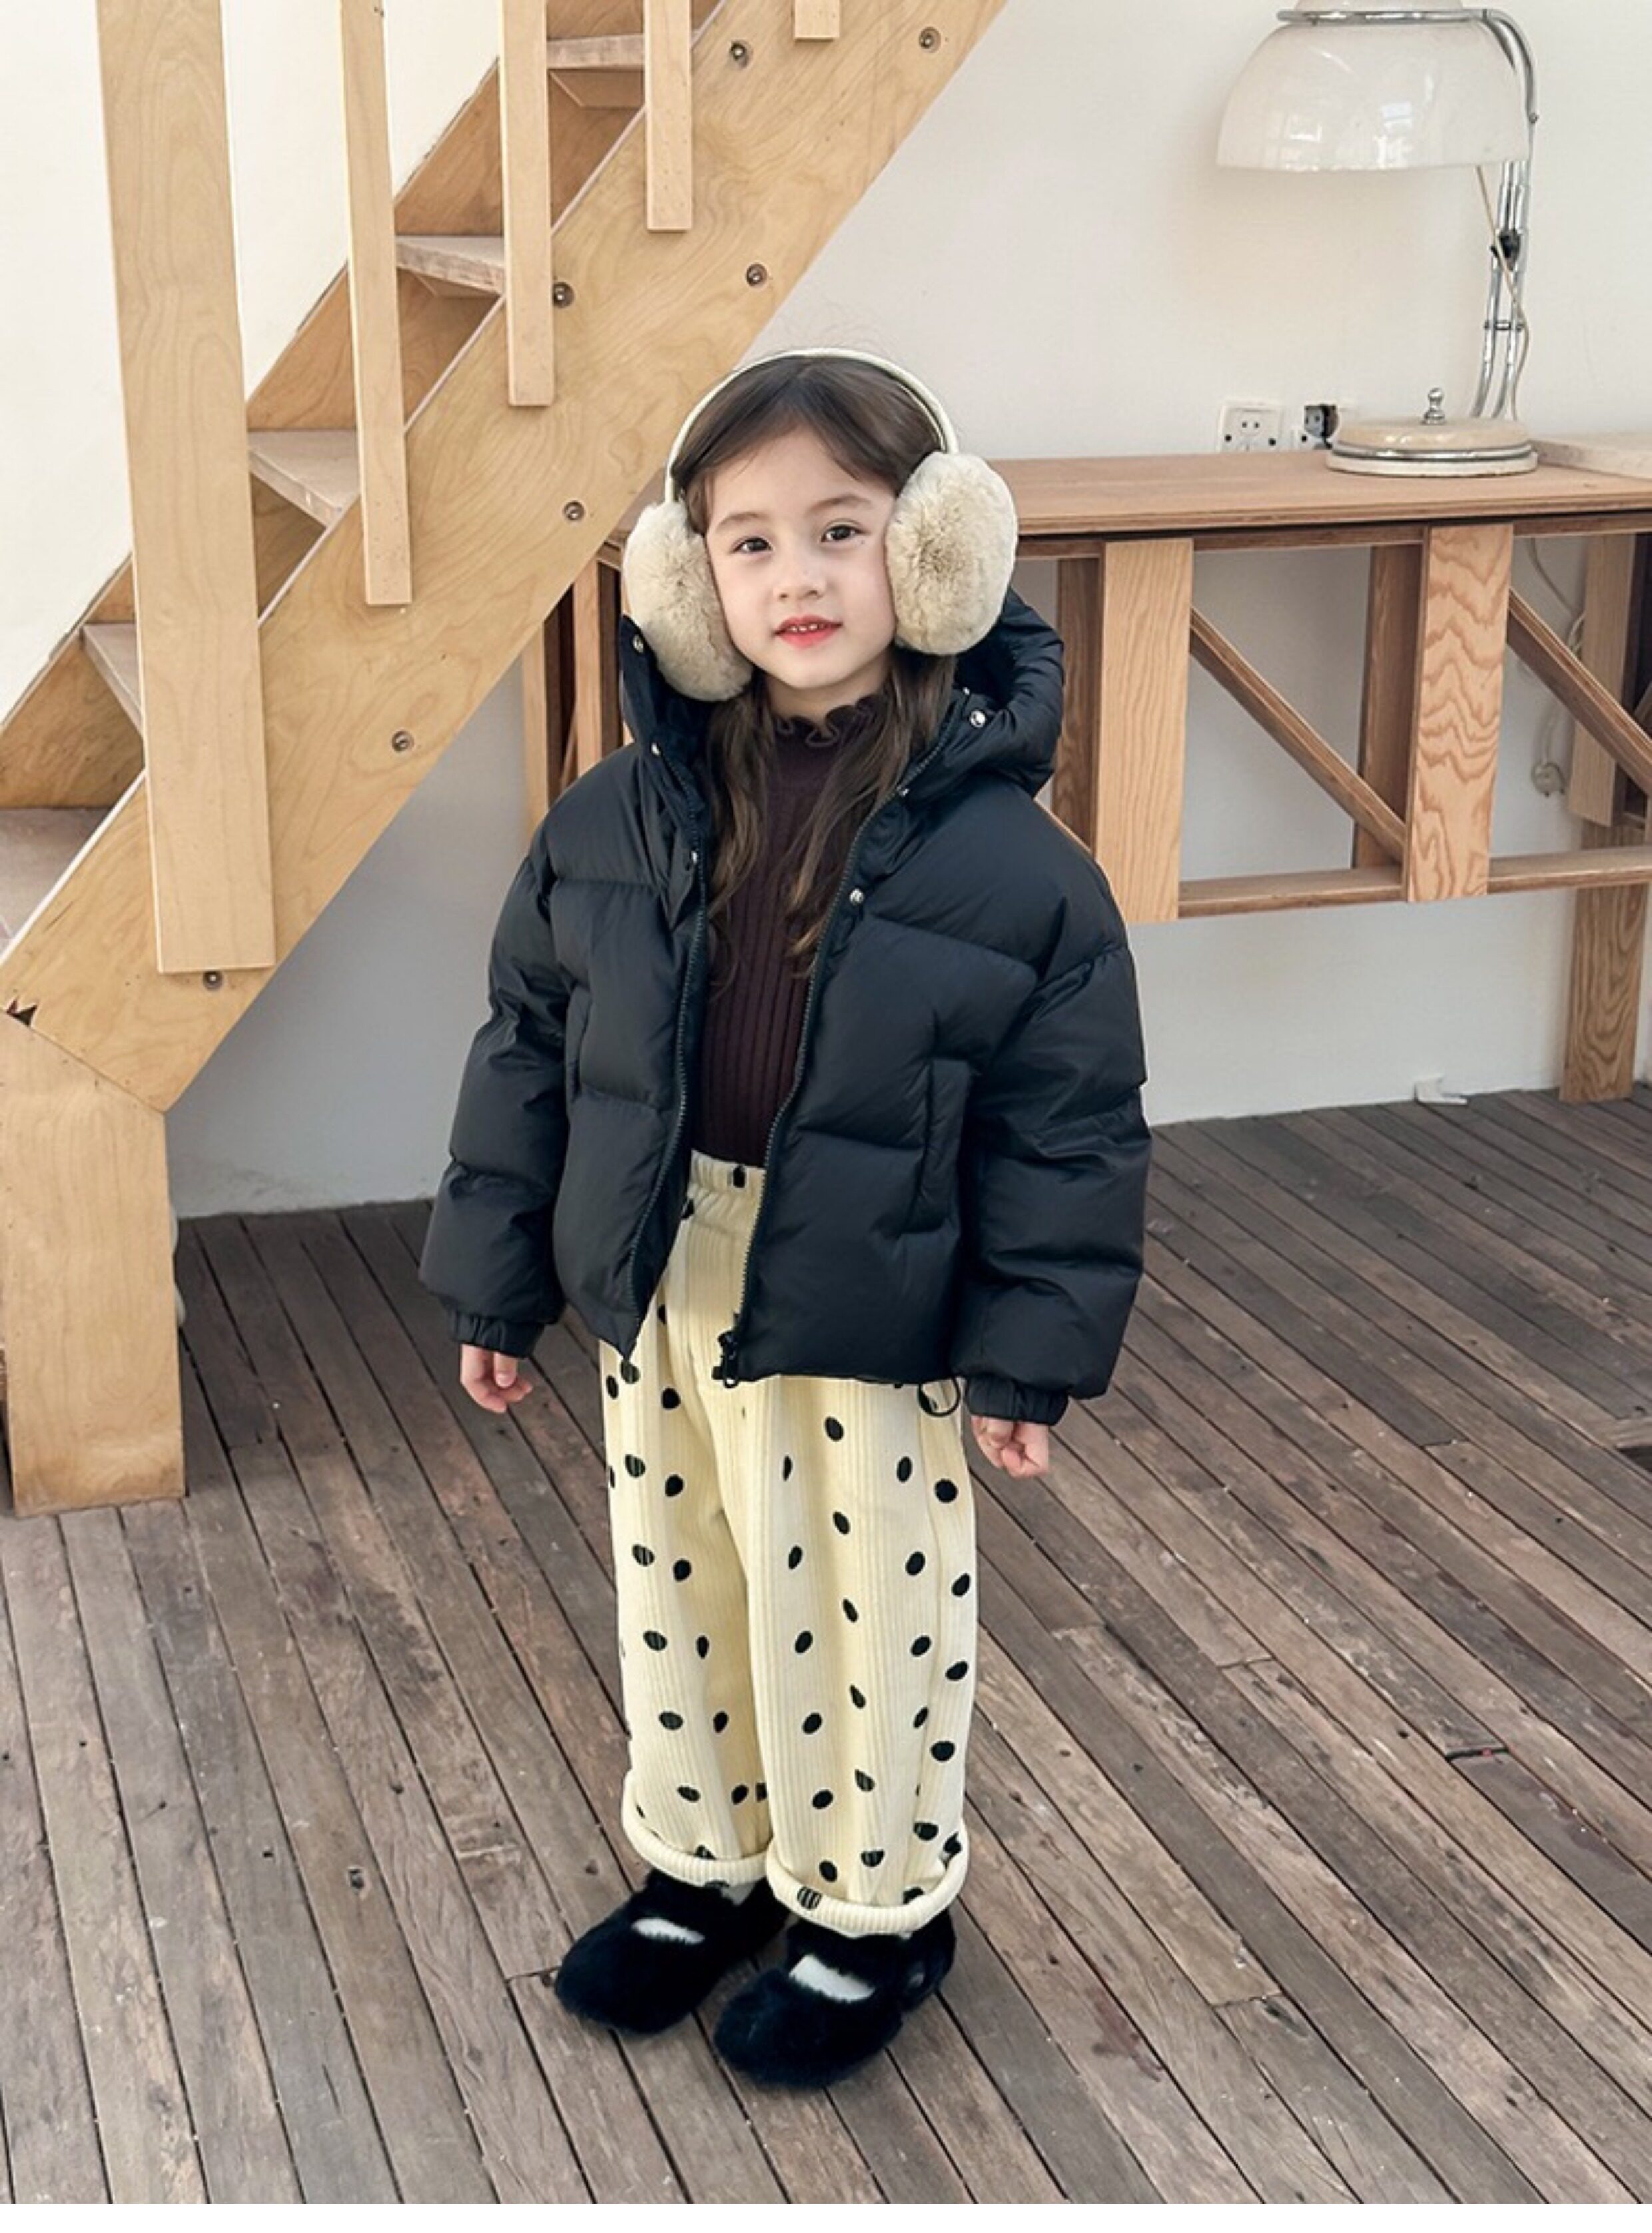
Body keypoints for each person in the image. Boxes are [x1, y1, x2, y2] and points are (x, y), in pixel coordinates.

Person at [418, 346, 1152, 2090]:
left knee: (868, 1609)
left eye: (843, 528)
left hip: (873, 1295)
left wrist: (1026, 1359)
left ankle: (876, 1910)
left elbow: (1067, 1132)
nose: (797, 576)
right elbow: (530, 1052)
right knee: (684, 1582)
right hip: (668, 1271)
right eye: (748, 541)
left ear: (941, 549)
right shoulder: (609, 822)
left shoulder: (1022, 872)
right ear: (690, 579)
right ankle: (709, 1864)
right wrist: (495, 1282)